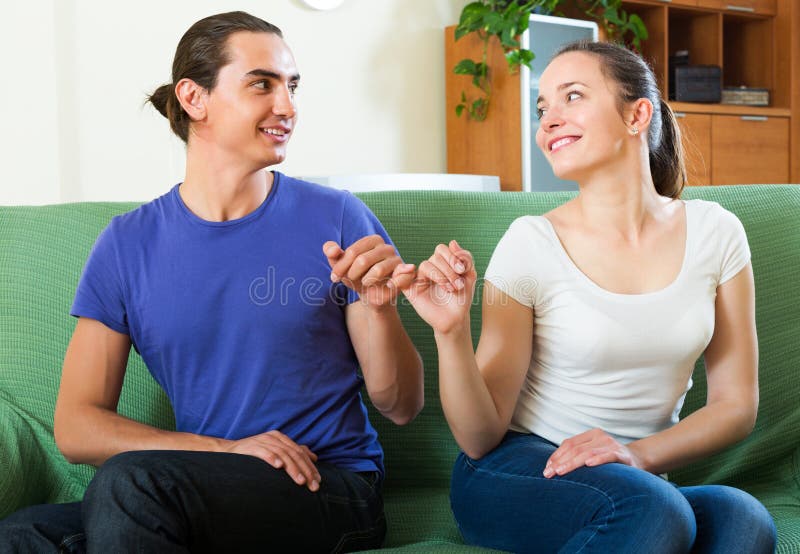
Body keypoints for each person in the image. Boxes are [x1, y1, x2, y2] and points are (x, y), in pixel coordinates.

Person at [0, 11, 423, 553]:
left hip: (328, 486)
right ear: (194, 98)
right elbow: (78, 426)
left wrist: (381, 308)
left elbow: (401, 405)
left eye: (292, 87)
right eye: (262, 85)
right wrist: (225, 452)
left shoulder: (338, 219)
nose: (287, 106)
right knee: (18, 537)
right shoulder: (127, 244)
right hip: (195, 484)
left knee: (131, 485)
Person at [404, 41, 777, 553]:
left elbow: (736, 405)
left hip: (634, 480)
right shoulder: (530, 242)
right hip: (516, 472)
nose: (548, 121)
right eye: (542, 109)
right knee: (654, 509)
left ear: (636, 115)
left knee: (744, 519)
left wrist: (638, 455)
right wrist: (449, 333)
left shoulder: (718, 233)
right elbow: (479, 436)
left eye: (572, 96)